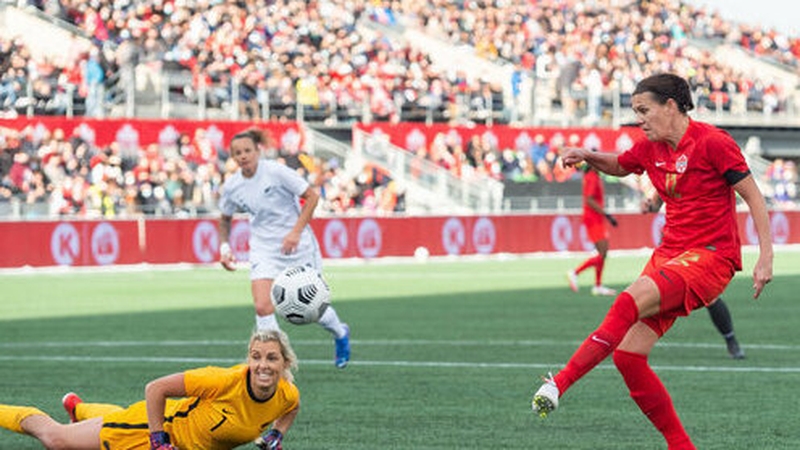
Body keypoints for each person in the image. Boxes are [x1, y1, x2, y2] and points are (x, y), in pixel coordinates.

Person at [531, 73, 773, 449]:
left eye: (644, 111)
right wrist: (588, 155)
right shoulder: (651, 148)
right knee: (629, 357)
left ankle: (558, 383)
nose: (639, 120)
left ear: (671, 106)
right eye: (636, 112)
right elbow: (620, 164)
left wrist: (765, 257)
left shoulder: (713, 142)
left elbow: (753, 196)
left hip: (711, 257)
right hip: (669, 255)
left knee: (628, 301)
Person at [0, 329, 300, 450]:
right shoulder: (221, 381)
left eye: (271, 358)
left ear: (285, 362)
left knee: (116, 417)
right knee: (57, 440)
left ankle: (78, 408)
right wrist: (159, 442)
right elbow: (155, 389)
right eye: (256, 357)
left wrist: (276, 434)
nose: (262, 365)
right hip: (153, 429)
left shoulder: (287, 395)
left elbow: (290, 409)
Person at [218, 128, 351, 368]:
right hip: (264, 249)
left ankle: (340, 333)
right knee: (262, 306)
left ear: (258, 150)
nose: (243, 156)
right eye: (237, 153)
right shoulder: (232, 186)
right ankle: (274, 365)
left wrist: (295, 232)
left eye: (247, 150)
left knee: (314, 309)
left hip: (299, 247)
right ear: (233, 157)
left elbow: (312, 197)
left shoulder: (276, 172)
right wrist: (225, 247)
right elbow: (225, 219)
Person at [643, 193, 745, 359]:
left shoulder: (703, 180)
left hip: (699, 240)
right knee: (644, 292)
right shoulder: (667, 176)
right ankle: (624, 343)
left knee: (710, 298)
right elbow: (657, 200)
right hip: (672, 241)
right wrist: (650, 205)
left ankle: (730, 340)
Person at [567, 161, 618, 296]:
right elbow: (589, 200)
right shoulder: (592, 177)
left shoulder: (592, 176)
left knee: (602, 253)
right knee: (603, 252)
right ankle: (575, 273)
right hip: (593, 218)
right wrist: (607, 215)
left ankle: (598, 285)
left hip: (595, 218)